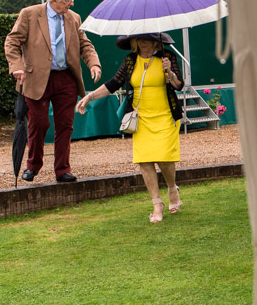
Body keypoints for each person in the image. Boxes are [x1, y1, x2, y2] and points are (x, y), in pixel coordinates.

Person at [76, 32, 185, 223]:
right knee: (144, 160)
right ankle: (156, 203)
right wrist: (89, 97)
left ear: (155, 41)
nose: (143, 42)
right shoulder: (130, 60)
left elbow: (178, 86)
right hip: (140, 118)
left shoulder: (167, 57)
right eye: (139, 39)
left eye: (147, 38)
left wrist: (170, 72)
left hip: (165, 116)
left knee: (164, 157)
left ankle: (172, 189)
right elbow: (113, 83)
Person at [4, 0, 101, 183]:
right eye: (68, 0)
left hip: (65, 78)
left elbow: (85, 44)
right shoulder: (30, 14)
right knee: (39, 123)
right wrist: (17, 66)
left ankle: (63, 169)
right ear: (54, 1)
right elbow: (12, 41)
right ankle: (33, 165)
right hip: (36, 78)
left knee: (65, 125)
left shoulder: (74, 18)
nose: (72, 4)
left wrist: (94, 63)